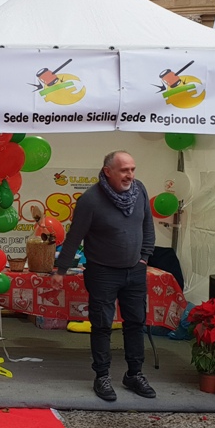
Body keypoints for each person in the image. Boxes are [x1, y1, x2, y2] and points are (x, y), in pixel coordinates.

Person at [54, 150, 156, 401]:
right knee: (101, 325)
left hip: (135, 270)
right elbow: (75, 236)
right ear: (107, 171)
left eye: (132, 169)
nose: (130, 175)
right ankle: (102, 376)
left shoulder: (140, 190)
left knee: (136, 323)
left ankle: (134, 374)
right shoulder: (91, 199)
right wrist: (61, 269)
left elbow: (147, 225)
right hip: (102, 273)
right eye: (124, 170)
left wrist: (144, 256)